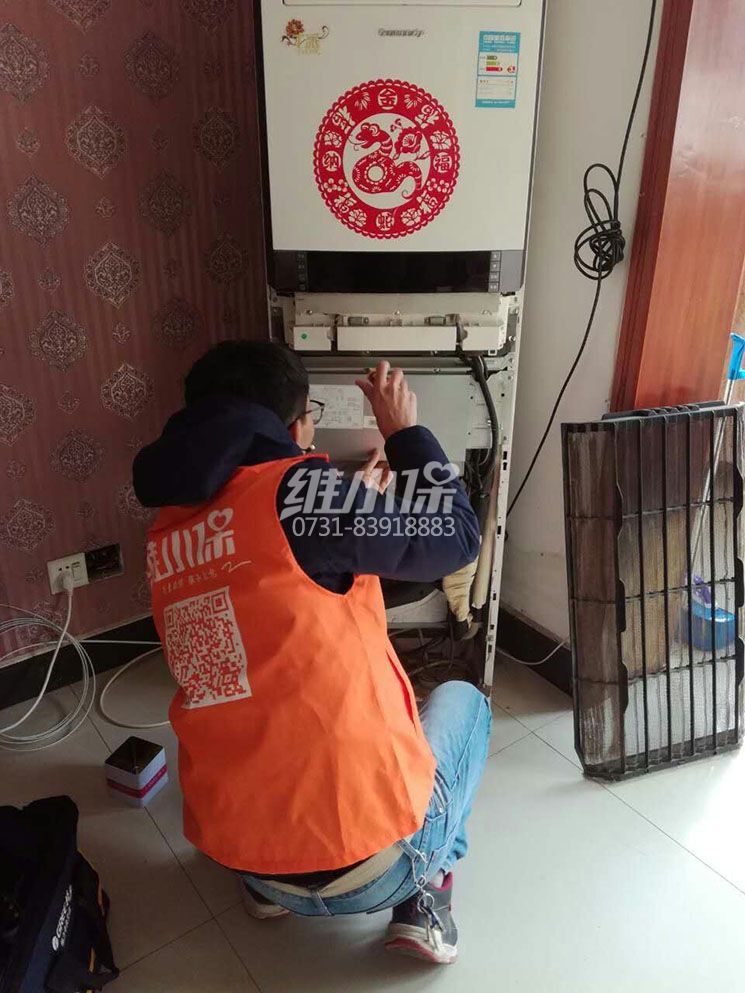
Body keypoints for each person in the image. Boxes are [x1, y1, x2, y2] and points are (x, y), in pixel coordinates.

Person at [133, 341, 491, 965]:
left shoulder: (169, 532)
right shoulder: (304, 493)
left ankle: (269, 892)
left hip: (245, 857)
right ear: (295, 426)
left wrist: (355, 506)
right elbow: (457, 537)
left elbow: (285, 584)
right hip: (375, 867)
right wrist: (404, 433)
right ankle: (423, 898)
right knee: (465, 702)